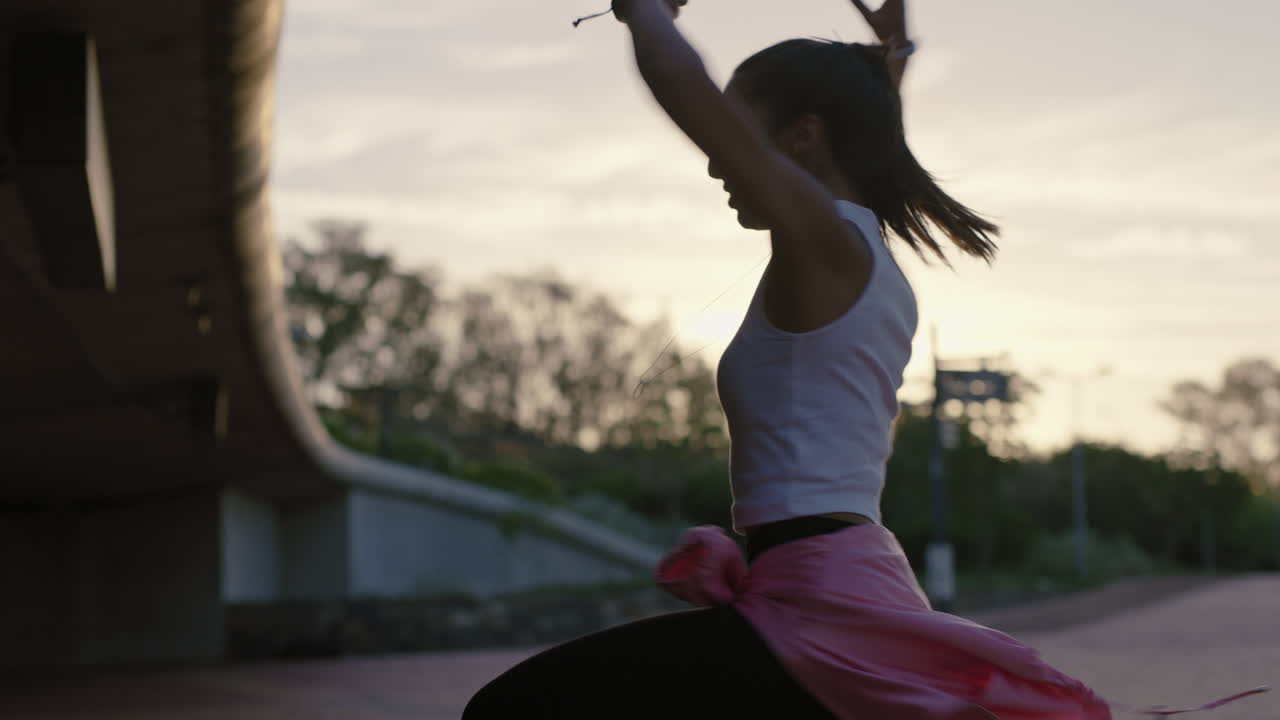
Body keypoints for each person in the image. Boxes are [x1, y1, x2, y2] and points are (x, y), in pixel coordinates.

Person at [463, 2, 1260, 718]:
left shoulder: (829, 246)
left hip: (817, 597)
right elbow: (862, 140)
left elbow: (680, 82)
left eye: (741, 128)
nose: (717, 161)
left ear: (803, 137)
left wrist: (645, 9)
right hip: (824, 581)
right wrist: (890, 62)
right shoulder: (859, 251)